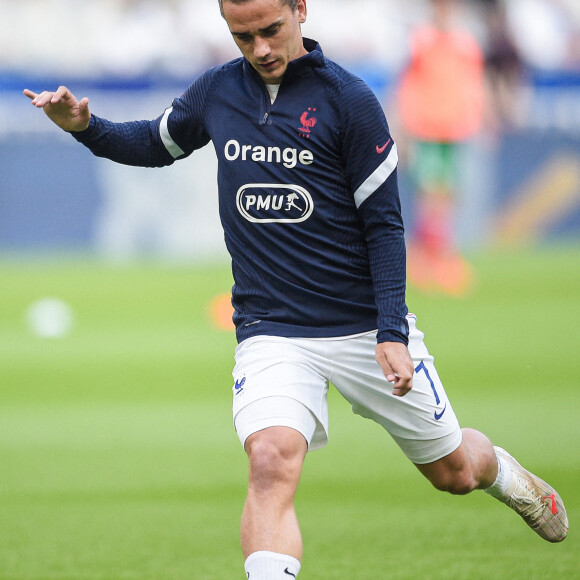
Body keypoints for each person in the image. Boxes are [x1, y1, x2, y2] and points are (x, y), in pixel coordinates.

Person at [24, 0, 568, 577]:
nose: (259, 49)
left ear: (300, 10)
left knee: (454, 472)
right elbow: (157, 144)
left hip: (362, 324)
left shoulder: (350, 101)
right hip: (271, 328)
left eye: (270, 31)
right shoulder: (216, 91)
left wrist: (390, 330)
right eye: (242, 37)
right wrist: (86, 127)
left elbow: (384, 225)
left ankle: (505, 475)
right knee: (269, 461)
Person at [395, 0, 485, 296]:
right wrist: (406, 124)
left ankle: (438, 256)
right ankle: (428, 258)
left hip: (455, 129)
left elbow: (472, 84)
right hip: (427, 128)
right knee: (431, 193)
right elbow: (408, 84)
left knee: (448, 194)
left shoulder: (464, 43)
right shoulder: (421, 40)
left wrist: (476, 117)